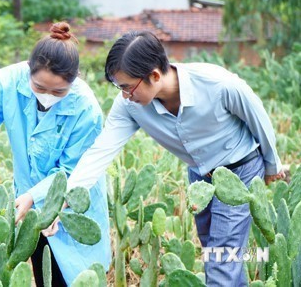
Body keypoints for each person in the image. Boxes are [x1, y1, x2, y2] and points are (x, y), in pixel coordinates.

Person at [43, 31, 285, 286]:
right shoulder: (129, 106)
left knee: (222, 261)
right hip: (200, 178)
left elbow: (258, 119)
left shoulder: (218, 84)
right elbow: (100, 152)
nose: (124, 95)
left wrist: (272, 165)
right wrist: (65, 199)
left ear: (155, 75)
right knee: (216, 252)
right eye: (119, 87)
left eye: (127, 86)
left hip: (240, 171)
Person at [0, 22, 111, 285]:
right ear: (29, 71)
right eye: (39, 87)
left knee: (77, 278)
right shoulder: (7, 82)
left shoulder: (86, 108)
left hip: (73, 204)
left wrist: (35, 197)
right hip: (28, 200)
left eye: (58, 91)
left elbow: (71, 172)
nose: (48, 96)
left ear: (74, 80)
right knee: (44, 275)